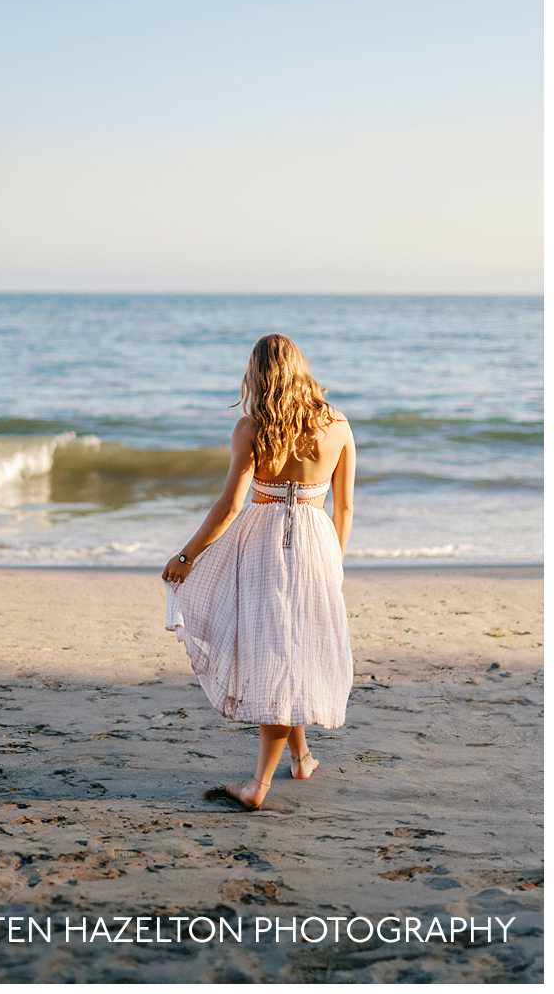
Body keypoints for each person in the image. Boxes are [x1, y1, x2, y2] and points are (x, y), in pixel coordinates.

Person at [161, 333, 356, 812]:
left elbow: (230, 506)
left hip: (265, 542)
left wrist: (187, 556)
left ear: (258, 375)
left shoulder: (252, 427)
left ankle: (258, 786)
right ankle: (302, 757)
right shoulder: (338, 424)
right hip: (316, 543)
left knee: (277, 652)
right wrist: (335, 562)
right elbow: (345, 507)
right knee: (293, 647)